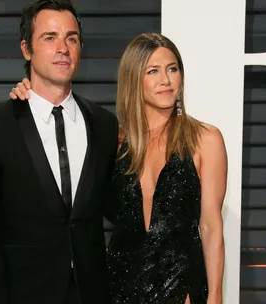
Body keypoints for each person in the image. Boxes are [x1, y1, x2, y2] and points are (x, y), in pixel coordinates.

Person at [11, 33, 227, 304]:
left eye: (172, 69)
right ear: (134, 79)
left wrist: (216, 295)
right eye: (153, 71)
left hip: (182, 287)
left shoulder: (205, 140)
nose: (166, 80)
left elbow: (210, 225)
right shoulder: (110, 141)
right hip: (118, 288)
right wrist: (29, 97)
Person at [0, 1, 118, 304]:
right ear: (26, 49)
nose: (63, 47)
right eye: (50, 37)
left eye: (72, 38)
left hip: (93, 293)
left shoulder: (104, 124)